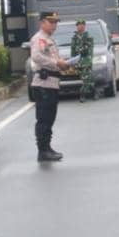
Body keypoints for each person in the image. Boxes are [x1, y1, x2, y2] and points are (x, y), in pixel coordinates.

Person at [30, 11, 70, 161]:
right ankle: (42, 151)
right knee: (44, 119)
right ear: (42, 22)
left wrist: (63, 64)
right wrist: (56, 63)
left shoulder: (49, 39)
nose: (54, 25)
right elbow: (36, 56)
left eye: (56, 22)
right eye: (51, 22)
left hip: (51, 83)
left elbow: (51, 58)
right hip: (43, 84)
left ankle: (47, 147)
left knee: (50, 118)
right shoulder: (39, 38)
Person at [70, 19, 96, 102]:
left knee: (86, 78)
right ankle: (94, 92)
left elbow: (90, 50)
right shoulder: (74, 38)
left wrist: (90, 60)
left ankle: (82, 95)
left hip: (86, 60)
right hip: (78, 61)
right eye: (79, 25)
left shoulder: (88, 37)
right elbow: (73, 51)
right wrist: (72, 62)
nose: (80, 26)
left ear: (84, 26)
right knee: (87, 79)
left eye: (82, 25)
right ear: (76, 26)